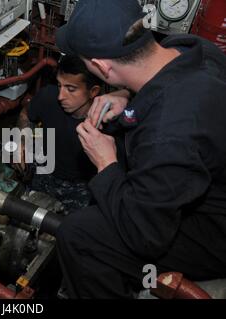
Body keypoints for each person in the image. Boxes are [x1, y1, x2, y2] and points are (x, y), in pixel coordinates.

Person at [55, 0, 226, 298]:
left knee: (79, 235)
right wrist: (126, 93)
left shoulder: (168, 134)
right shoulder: (193, 49)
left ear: (101, 67)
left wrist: (105, 163)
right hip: (209, 175)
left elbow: (145, 236)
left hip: (216, 233)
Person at [16, 55, 103, 212]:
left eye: (71, 89)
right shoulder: (48, 96)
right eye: (59, 85)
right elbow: (25, 115)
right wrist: (22, 142)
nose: (60, 96)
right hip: (43, 171)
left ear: (93, 92)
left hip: (81, 188)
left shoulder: (105, 125)